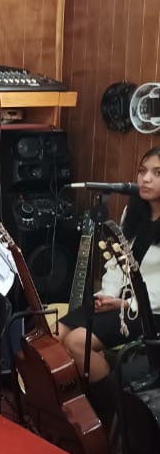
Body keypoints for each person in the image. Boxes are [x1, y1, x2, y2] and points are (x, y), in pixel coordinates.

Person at [58, 146, 160, 383]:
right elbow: (116, 261)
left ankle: (111, 402)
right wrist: (107, 295)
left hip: (150, 312)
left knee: (77, 342)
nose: (146, 178)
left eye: (157, 173)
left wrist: (127, 303)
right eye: (142, 171)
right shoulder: (132, 212)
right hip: (119, 303)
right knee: (53, 335)